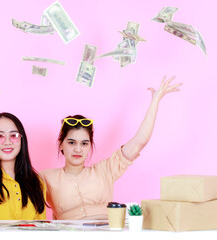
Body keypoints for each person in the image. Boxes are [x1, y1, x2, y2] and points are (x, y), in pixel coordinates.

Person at [40, 76, 182, 220]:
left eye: (84, 143)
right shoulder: (46, 177)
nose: (78, 149)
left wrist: (155, 100)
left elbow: (140, 142)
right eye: (71, 142)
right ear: (61, 145)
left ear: (90, 146)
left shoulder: (105, 170)